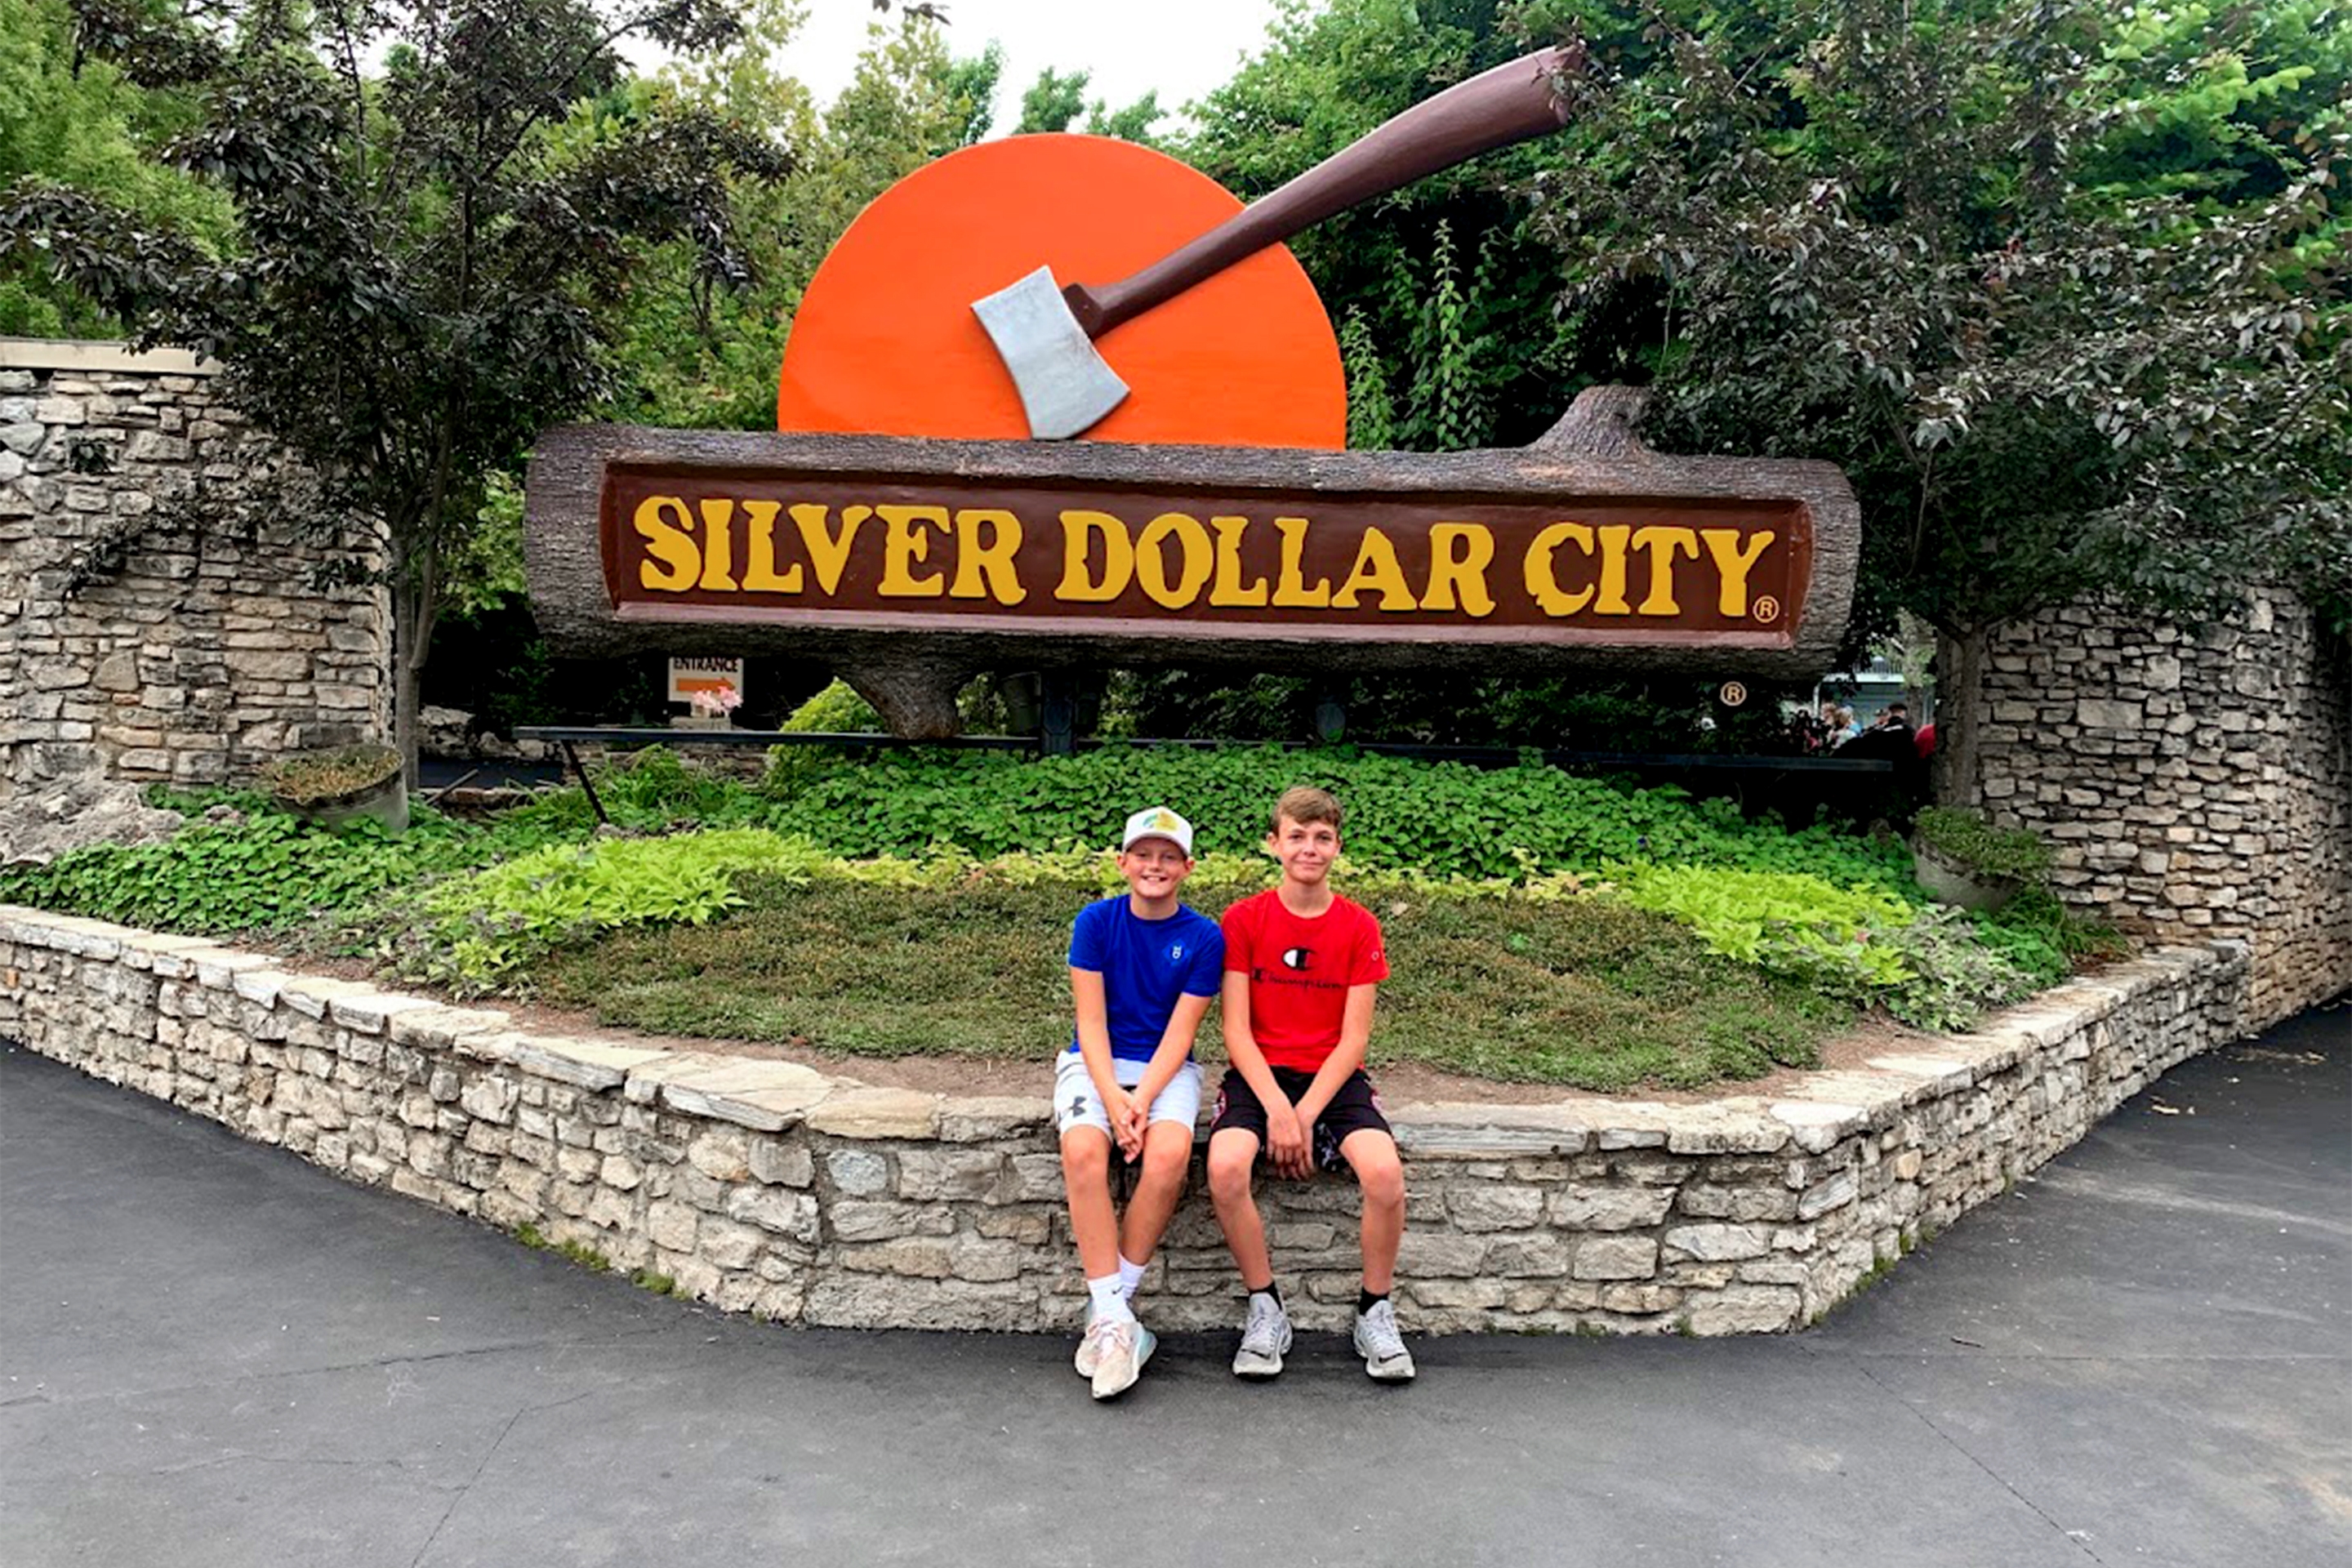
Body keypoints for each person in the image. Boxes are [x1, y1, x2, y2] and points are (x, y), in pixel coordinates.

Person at [1207, 786, 1414, 1383]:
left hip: (1333, 1077)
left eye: (1322, 837)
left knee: (1384, 1174)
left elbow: (1353, 1042)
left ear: (1337, 846)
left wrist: (1304, 1115)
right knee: (1224, 1168)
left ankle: (1374, 1310)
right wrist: (1277, 1107)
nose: (1309, 847)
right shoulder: (1244, 920)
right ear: (1273, 844)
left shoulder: (1357, 925)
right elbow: (1236, 1031)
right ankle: (1265, 1306)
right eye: (1296, 835)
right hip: (1260, 1075)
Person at [1059, 805, 1225, 1401]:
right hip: (1095, 1064)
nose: (1155, 866)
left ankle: (1110, 1313)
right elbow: (1091, 1021)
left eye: (1169, 857)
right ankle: (1118, 1322)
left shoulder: (1205, 938)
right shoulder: (1096, 922)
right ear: (1123, 862)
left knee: (1168, 1156)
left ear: (1187, 867)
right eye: (1144, 855)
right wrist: (1113, 1098)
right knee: (1083, 1152)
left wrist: (1143, 1102)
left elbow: (1181, 1035)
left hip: (1165, 1070)